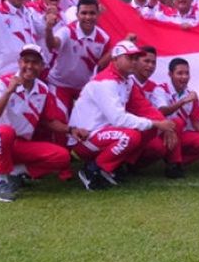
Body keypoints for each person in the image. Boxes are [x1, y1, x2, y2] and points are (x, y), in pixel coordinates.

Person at [69, 40, 176, 190]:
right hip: (84, 138)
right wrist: (156, 123)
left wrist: (164, 124)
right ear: (115, 59)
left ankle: (114, 167)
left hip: (103, 133)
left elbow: (143, 107)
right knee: (130, 136)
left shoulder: (126, 81)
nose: (133, 62)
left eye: (135, 58)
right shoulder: (105, 82)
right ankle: (92, 170)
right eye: (129, 58)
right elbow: (118, 119)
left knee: (149, 128)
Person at [0, 44, 76, 202]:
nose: (30, 66)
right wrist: (9, 92)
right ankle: (2, 181)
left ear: (42, 66)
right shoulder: (2, 83)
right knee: (4, 132)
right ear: (19, 62)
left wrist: (71, 130)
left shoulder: (43, 89)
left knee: (62, 157)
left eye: (35, 62)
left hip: (20, 144)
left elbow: (48, 121)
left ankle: (14, 173)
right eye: (26, 61)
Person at [45, 0, 111, 144]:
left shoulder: (104, 38)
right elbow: (53, 44)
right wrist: (48, 28)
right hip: (59, 84)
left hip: (84, 88)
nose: (88, 17)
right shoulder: (67, 31)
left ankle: (83, 151)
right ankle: (62, 154)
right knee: (60, 120)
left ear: (98, 14)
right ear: (77, 15)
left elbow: (102, 67)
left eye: (92, 13)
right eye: (84, 13)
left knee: (91, 121)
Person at [130, 45, 184, 178]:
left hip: (147, 128)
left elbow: (160, 111)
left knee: (175, 124)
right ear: (135, 61)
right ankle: (122, 164)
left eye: (153, 62)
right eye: (146, 61)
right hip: (126, 126)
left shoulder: (155, 87)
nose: (150, 66)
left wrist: (165, 126)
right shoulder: (126, 82)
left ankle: (173, 164)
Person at [155, 58, 199, 167]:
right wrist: (182, 101)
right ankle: (173, 163)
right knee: (177, 122)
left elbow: (196, 122)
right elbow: (162, 111)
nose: (184, 77)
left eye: (187, 73)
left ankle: (178, 162)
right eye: (180, 73)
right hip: (162, 133)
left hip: (181, 134)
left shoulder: (190, 94)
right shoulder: (160, 89)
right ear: (170, 74)